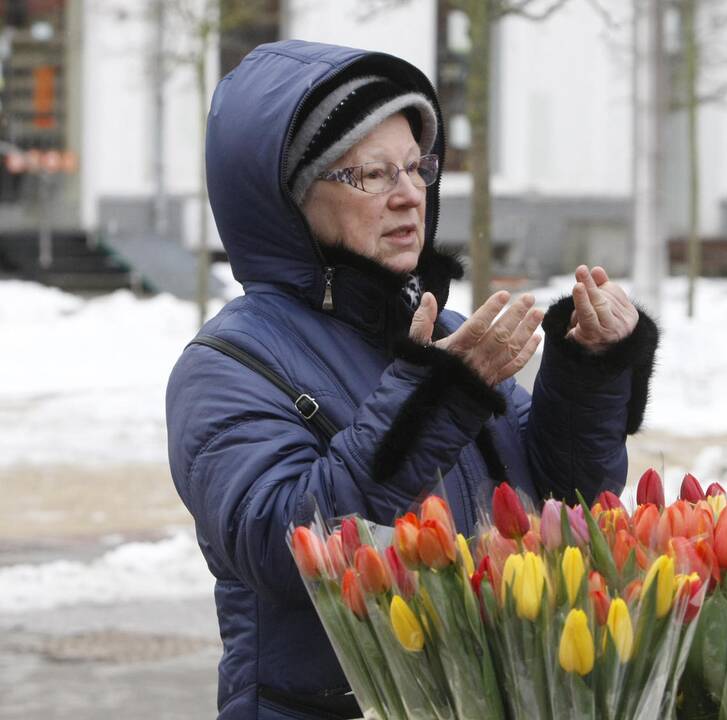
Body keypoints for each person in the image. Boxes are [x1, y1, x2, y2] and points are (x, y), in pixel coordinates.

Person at [166, 39, 658, 719]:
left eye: (415, 167)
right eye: (368, 175)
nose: (407, 196)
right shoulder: (228, 365)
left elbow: (562, 499)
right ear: (288, 199)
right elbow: (285, 548)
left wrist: (590, 373)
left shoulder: (443, 330)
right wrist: (438, 398)